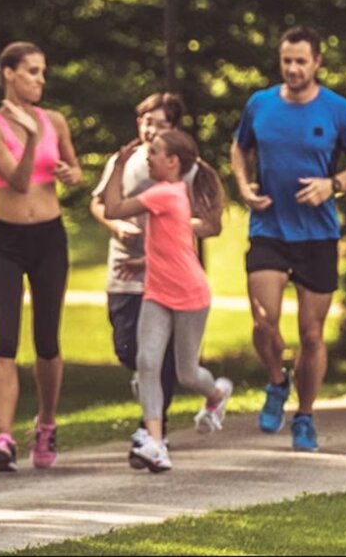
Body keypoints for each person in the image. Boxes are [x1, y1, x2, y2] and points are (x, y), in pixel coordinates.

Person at [231, 25, 346, 451]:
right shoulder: (259, 104)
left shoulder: (336, 109)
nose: (294, 68)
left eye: (301, 61)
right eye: (287, 61)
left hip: (317, 234)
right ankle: (277, 383)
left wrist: (332, 184)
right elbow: (239, 148)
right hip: (270, 229)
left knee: (311, 335)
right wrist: (243, 186)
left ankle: (305, 416)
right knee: (264, 320)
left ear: (317, 62)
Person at [0, 41, 82, 472]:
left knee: (48, 340)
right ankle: (3, 437)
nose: (40, 79)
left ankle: (47, 424)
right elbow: (18, 184)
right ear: (9, 74)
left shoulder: (55, 120)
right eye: (32, 72)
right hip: (5, 241)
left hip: (49, 239)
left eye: (43, 72)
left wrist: (72, 174)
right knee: (4, 340)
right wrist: (33, 138)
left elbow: (73, 171)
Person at [102, 129, 232, 472]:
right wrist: (144, 263)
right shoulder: (170, 196)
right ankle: (156, 443)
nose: (148, 156)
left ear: (172, 162)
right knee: (148, 363)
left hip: (190, 295)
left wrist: (116, 166)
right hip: (157, 293)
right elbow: (174, 246)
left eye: (155, 152)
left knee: (187, 373)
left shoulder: (165, 194)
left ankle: (216, 396)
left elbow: (113, 207)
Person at [89, 93, 210, 457]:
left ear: (172, 130)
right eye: (143, 121)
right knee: (129, 349)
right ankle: (151, 407)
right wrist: (115, 226)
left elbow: (206, 214)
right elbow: (100, 202)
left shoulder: (183, 168)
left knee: (157, 357)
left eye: (157, 123)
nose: (148, 129)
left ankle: (153, 430)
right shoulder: (121, 161)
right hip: (125, 268)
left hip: (166, 276)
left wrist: (178, 227)